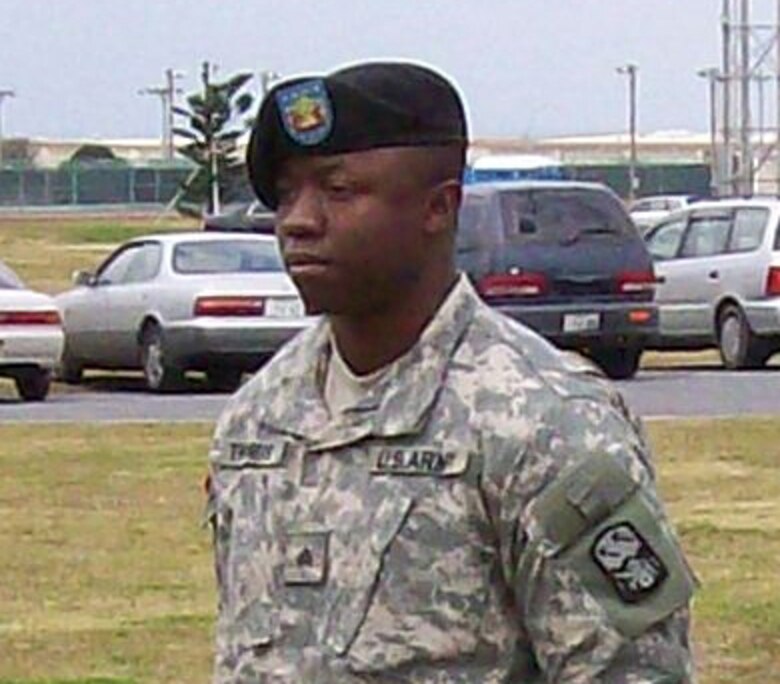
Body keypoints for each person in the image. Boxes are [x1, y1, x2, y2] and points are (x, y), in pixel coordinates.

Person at [206, 60, 697, 683]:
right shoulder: (260, 417)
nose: (298, 220)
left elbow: (633, 672)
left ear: (439, 208)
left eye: (338, 189)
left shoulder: (544, 423)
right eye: (286, 192)